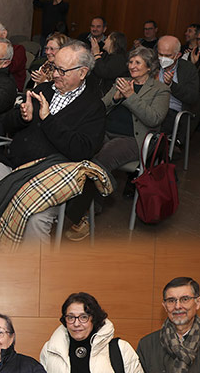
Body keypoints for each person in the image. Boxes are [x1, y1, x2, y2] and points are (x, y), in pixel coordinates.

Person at [66, 46, 169, 242]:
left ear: (150, 66)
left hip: (134, 139)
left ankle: (86, 213)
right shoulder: (122, 82)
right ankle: (99, 188)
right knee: (81, 149)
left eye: (137, 63)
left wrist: (131, 97)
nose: (132, 66)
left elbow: (154, 119)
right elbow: (100, 107)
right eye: (130, 62)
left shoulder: (160, 90)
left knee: (99, 161)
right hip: (106, 132)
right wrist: (115, 97)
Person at [1, 40, 105, 169]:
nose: (55, 74)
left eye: (62, 71)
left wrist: (48, 119)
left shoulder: (94, 107)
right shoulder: (43, 89)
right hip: (13, 164)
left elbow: (82, 151)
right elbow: (6, 125)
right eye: (55, 67)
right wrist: (21, 117)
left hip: (49, 176)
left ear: (82, 73)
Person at [156, 34, 198, 134]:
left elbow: (192, 97)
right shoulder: (152, 64)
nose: (162, 58)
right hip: (150, 106)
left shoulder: (188, 69)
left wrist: (171, 85)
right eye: (160, 54)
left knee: (156, 128)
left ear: (178, 55)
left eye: (167, 55)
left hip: (171, 110)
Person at [92, 31, 129, 96]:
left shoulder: (120, 59)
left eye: (107, 38)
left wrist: (96, 54)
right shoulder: (105, 55)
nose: (104, 41)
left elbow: (103, 72)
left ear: (113, 40)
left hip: (109, 97)